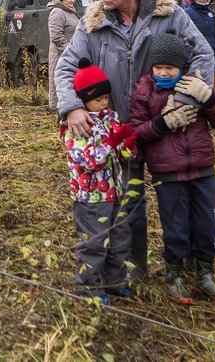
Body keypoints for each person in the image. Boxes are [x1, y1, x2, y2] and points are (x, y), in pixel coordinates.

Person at [55, 0, 215, 280]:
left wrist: (183, 101)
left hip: (166, 130)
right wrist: (72, 106)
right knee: (130, 203)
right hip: (118, 134)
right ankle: (133, 271)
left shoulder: (169, 15)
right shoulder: (92, 23)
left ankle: (190, 266)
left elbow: (203, 54)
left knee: (181, 198)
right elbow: (66, 67)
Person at [128, 30, 215, 304]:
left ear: (182, 66)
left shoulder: (193, 85)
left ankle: (206, 275)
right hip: (168, 173)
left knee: (207, 225)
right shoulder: (144, 90)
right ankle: (174, 277)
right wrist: (163, 124)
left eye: (169, 68)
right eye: (158, 67)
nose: (163, 73)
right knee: (175, 227)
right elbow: (135, 133)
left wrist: (209, 98)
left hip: (203, 169)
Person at [61, 58, 138, 303]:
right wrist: (111, 145)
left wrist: (126, 147)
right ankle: (89, 288)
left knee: (120, 237)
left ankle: (114, 281)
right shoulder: (76, 126)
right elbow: (87, 160)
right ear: (84, 100)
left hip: (115, 191)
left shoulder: (111, 117)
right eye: (98, 99)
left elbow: (119, 153)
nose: (104, 103)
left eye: (106, 97)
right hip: (90, 196)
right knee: (95, 242)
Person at [184, 0, 215, 79]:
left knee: (211, 82)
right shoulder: (187, 13)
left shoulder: (212, 13)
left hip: (212, 53)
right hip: (195, 56)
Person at [47, 0, 79, 110]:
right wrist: (69, 49)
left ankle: (69, 107)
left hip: (70, 53)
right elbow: (55, 36)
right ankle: (58, 109)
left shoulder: (70, 12)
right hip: (60, 53)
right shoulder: (57, 12)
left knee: (69, 81)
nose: (72, 0)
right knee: (59, 80)